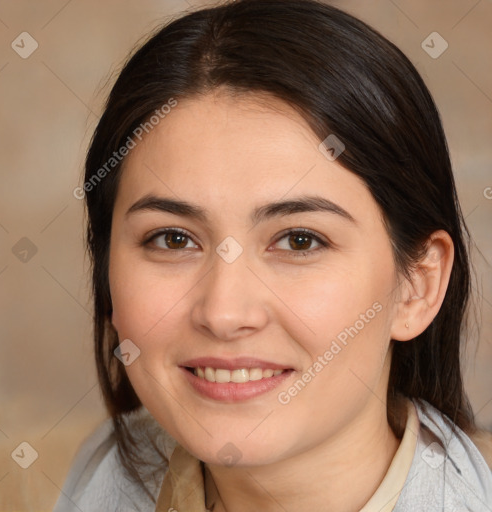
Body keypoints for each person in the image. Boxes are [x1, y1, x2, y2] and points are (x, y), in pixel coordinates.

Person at [54, 0, 492, 510]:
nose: (223, 313)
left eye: (299, 240)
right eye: (173, 239)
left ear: (416, 285)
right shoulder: (105, 472)